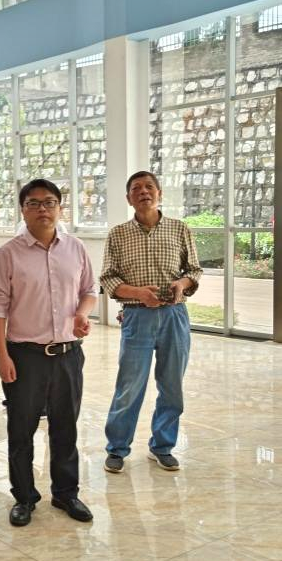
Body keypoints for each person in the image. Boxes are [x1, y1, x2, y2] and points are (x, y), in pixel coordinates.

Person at [0, 179, 97, 527]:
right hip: (25, 356)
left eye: (49, 202)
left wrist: (82, 314)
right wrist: (2, 355)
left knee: (65, 427)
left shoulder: (76, 248)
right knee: (21, 429)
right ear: (23, 210)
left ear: (60, 208)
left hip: (68, 354)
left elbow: (89, 290)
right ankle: (24, 497)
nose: (42, 209)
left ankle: (66, 493)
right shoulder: (7, 254)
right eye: (33, 203)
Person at [100, 170, 202, 474]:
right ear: (128, 198)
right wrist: (139, 294)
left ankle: (162, 446)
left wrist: (181, 284)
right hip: (136, 317)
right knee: (129, 386)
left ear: (159, 193)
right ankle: (117, 448)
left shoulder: (179, 228)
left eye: (149, 187)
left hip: (174, 317)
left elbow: (194, 270)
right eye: (136, 188)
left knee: (172, 385)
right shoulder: (118, 234)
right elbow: (108, 278)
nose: (143, 192)